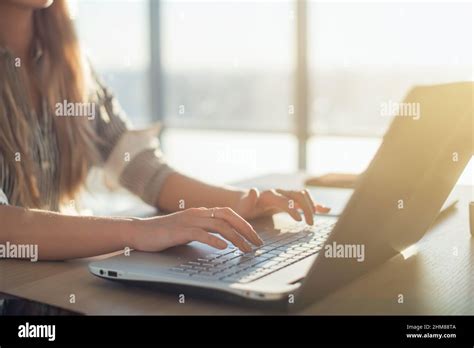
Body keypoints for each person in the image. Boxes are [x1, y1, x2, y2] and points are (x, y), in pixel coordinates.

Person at [0, 0, 330, 262]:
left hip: (56, 289)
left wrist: (241, 203)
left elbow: (141, 168)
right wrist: (137, 232)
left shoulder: (69, 64)